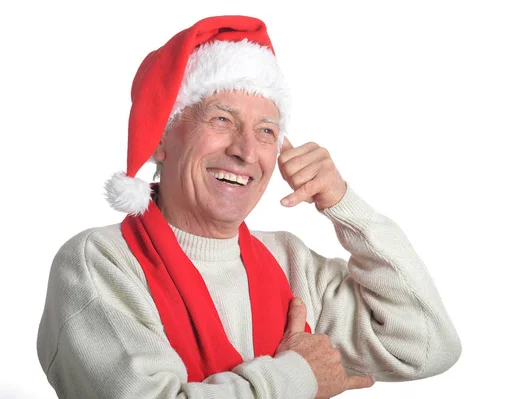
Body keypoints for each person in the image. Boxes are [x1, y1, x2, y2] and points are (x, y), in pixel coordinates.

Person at [36, 15, 461, 399]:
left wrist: (342, 203)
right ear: (162, 139)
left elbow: (427, 345)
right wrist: (299, 376)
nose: (245, 150)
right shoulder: (101, 263)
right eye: (221, 120)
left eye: (266, 131)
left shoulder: (291, 263)